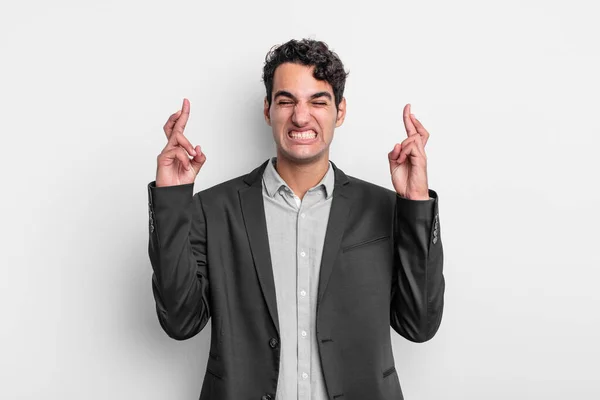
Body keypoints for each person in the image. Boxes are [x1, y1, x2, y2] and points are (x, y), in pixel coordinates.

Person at [146, 38, 445, 400]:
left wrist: (415, 203)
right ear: (267, 109)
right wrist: (173, 201)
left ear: (340, 111)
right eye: (286, 101)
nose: (301, 116)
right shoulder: (213, 209)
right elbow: (180, 322)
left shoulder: (384, 207)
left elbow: (419, 325)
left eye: (318, 101)